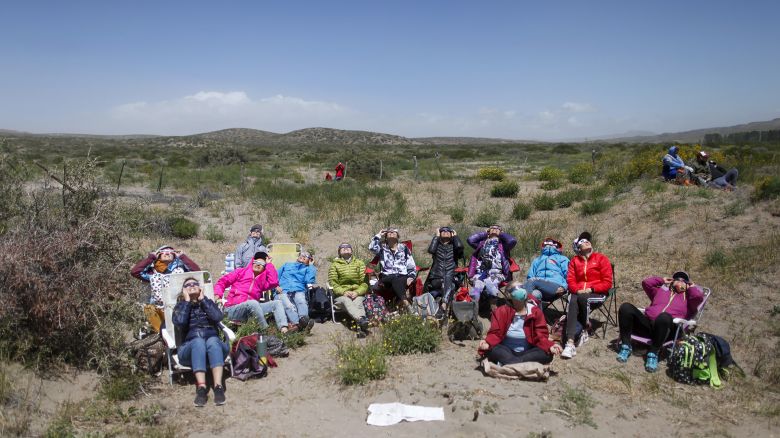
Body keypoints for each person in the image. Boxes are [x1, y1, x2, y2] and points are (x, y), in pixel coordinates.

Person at [616, 272, 704, 372]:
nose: (680, 281)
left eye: (683, 280)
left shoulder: (689, 299)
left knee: (664, 317)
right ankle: (626, 346)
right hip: (649, 325)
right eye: (677, 279)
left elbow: (698, 297)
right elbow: (646, 283)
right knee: (625, 307)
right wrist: (662, 280)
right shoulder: (661, 291)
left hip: (668, 330)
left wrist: (691, 287)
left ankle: (653, 353)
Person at [172, 277, 229, 406]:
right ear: (183, 290)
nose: (191, 286)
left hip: (214, 348)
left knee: (213, 340)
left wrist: (203, 300)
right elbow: (180, 322)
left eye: (195, 284)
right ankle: (201, 388)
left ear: (200, 288)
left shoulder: (207, 302)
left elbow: (218, 317)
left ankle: (218, 387)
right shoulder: (180, 306)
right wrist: (187, 302)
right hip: (189, 350)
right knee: (198, 342)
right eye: (187, 285)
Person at [477, 284, 563, 365]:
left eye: (522, 287)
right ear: (509, 295)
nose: (520, 289)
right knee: (492, 350)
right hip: (506, 350)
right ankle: (520, 364)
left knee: (546, 354)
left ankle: (511, 363)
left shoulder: (535, 311)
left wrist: (549, 346)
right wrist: (488, 342)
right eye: (516, 288)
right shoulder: (501, 311)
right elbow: (495, 332)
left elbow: (541, 335)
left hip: (528, 351)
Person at [561, 232, 613, 359]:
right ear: (578, 248)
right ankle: (570, 343)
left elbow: (607, 282)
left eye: (587, 240)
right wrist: (577, 290)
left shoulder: (601, 258)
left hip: (597, 292)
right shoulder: (574, 261)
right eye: (582, 241)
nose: (586, 241)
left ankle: (584, 328)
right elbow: (571, 280)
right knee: (573, 299)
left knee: (582, 298)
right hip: (579, 293)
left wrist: (591, 289)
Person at [214, 251, 293, 333]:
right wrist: (218, 294)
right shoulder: (240, 272)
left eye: (262, 263)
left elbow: (274, 282)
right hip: (233, 309)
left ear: (264, 267)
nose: (258, 264)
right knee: (253, 303)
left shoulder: (262, 281)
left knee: (277, 303)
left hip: (253, 310)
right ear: (252, 262)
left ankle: (284, 330)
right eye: (256, 262)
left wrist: (269, 264)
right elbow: (222, 282)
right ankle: (265, 331)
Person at [131, 245, 201, 332]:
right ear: (158, 255)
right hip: (160, 307)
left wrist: (183, 257)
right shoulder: (152, 272)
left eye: (171, 252)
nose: (167, 253)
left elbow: (197, 272)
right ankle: (160, 333)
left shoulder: (181, 269)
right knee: (149, 308)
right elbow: (135, 272)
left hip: (179, 306)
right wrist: (151, 257)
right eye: (163, 251)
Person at [368, 228, 417, 312]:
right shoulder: (382, 249)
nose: (391, 233)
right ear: (386, 237)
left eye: (394, 232)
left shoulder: (404, 249)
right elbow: (372, 247)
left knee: (398, 279)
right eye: (389, 232)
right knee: (395, 278)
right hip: (386, 277)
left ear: (398, 236)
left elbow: (411, 265)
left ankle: (397, 305)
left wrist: (411, 276)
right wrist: (379, 235)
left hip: (402, 276)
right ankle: (406, 304)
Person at [467, 225, 517, 305]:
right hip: (481, 273)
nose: (494, 229)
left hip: (496, 274)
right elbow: (470, 240)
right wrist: (484, 234)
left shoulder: (503, 245)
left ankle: (493, 309)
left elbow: (512, 241)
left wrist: (501, 234)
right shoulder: (481, 244)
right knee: (476, 288)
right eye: (492, 228)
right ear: (488, 231)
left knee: (491, 285)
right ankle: (474, 309)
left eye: (497, 229)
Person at [328, 243, 370, 335]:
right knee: (346, 301)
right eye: (342, 247)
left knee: (357, 302)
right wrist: (343, 292)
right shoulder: (334, 265)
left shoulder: (360, 263)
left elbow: (365, 282)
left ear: (351, 251)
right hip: (341, 295)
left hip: (357, 293)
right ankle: (362, 320)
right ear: (339, 252)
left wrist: (357, 292)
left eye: (348, 247)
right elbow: (333, 283)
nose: (345, 248)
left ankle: (361, 328)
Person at [424, 226, 465, 312]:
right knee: (447, 283)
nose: (445, 231)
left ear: (451, 234)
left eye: (448, 231)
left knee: (449, 280)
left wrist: (456, 237)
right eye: (443, 231)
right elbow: (431, 250)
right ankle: (444, 305)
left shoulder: (454, 246)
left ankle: (443, 304)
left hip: (452, 275)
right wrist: (436, 237)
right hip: (437, 276)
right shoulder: (436, 245)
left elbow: (460, 247)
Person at [275, 251, 317, 331]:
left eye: (306, 256)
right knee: (288, 306)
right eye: (302, 254)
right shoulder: (287, 265)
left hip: (298, 289)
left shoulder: (307, 269)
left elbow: (309, 281)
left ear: (309, 260)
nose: (303, 256)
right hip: (283, 290)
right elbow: (275, 276)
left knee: (300, 300)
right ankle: (301, 324)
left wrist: (311, 266)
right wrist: (276, 286)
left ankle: (303, 320)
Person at [523, 238, 569, 303]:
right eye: (546, 243)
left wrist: (564, 287)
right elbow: (530, 276)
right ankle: (536, 312)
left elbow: (569, 275)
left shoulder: (562, 258)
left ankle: (522, 309)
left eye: (551, 243)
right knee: (535, 294)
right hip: (538, 285)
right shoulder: (537, 259)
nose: (548, 245)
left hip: (555, 286)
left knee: (532, 282)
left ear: (556, 245)